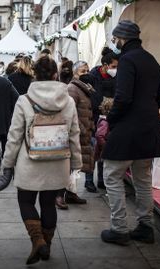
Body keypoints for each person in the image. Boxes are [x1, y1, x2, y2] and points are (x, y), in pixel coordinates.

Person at [2, 55, 82, 264]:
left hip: (29, 163)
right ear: (56, 75)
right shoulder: (68, 101)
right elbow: (74, 134)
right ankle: (46, 242)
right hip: (58, 163)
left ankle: (38, 241)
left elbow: (14, 136)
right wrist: (76, 163)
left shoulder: (24, 100)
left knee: (25, 200)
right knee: (48, 204)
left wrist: (7, 164)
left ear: (34, 75)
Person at [100, 20, 160, 245]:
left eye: (115, 39)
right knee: (143, 178)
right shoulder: (151, 59)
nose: (114, 43)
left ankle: (119, 228)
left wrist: (111, 119)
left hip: (128, 127)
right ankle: (146, 226)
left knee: (111, 174)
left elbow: (123, 97)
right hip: (149, 127)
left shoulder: (127, 60)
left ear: (122, 39)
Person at [89, 47, 119, 189]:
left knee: (104, 147)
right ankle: (89, 180)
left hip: (109, 118)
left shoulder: (116, 77)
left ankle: (101, 180)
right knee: (92, 148)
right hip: (94, 117)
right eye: (114, 66)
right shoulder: (93, 76)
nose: (115, 69)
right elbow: (91, 98)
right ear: (105, 65)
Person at [67, 61, 96, 194]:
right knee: (72, 166)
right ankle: (65, 194)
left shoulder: (86, 87)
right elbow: (70, 112)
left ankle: (72, 193)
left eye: (87, 70)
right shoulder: (73, 88)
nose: (86, 73)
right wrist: (82, 129)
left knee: (78, 166)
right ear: (75, 73)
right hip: (78, 133)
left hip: (86, 132)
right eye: (82, 71)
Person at [93, 98, 114, 189]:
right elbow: (99, 135)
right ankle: (102, 182)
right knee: (104, 166)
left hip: (102, 149)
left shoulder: (103, 120)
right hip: (103, 149)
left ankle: (101, 182)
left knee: (102, 165)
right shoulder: (105, 122)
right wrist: (106, 146)